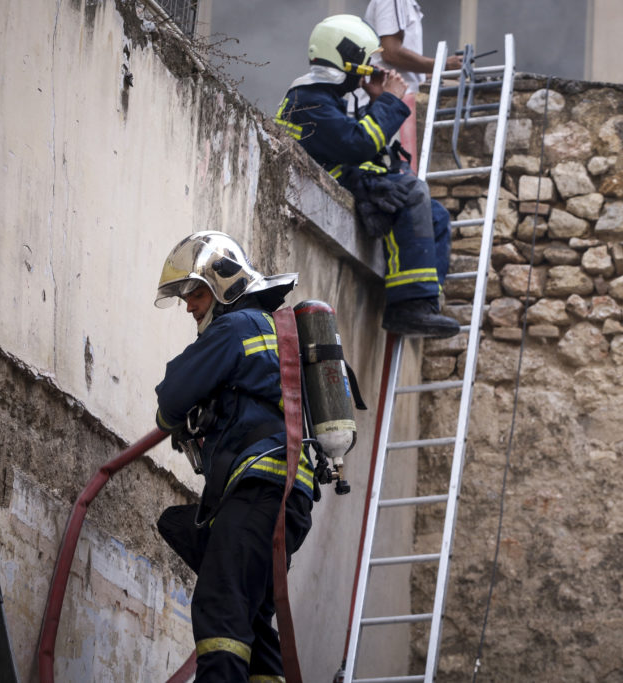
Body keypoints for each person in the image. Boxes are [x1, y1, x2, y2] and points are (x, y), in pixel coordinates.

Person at [153, 231, 315, 682]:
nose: (190, 306)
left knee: (220, 603)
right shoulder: (278, 335)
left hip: (258, 488)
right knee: (252, 620)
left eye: (197, 293)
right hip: (291, 498)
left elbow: (173, 397)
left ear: (225, 287)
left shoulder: (238, 326)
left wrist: (175, 417)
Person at [274, 14, 460, 338]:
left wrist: (376, 100)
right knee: (412, 192)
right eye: (366, 61)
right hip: (334, 181)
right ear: (348, 59)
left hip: (347, 176)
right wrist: (388, 100)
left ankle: (423, 303)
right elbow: (357, 144)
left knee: (437, 215)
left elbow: (362, 140)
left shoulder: (327, 98)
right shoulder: (307, 99)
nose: (369, 69)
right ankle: (408, 307)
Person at [363, 0, 463, 172]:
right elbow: (390, 52)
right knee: (391, 181)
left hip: (391, 109)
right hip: (383, 107)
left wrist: (441, 71)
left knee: (400, 181)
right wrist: (441, 64)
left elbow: (406, 73)